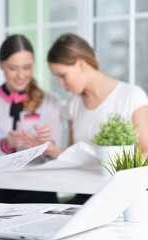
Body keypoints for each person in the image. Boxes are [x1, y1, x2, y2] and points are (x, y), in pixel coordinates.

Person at [47, 33, 148, 203]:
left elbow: (147, 150)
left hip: (123, 193)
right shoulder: (73, 104)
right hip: (86, 193)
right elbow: (75, 157)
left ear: (81, 64)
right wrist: (56, 152)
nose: (61, 84)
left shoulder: (131, 96)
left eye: (62, 75)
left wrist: (120, 172)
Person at [0, 34, 63, 203]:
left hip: (39, 187)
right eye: (13, 68)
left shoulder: (51, 101)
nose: (21, 75)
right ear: (1, 65)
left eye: (27, 67)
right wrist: (5, 145)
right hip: (0, 184)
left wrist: (46, 145)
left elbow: (58, 156)